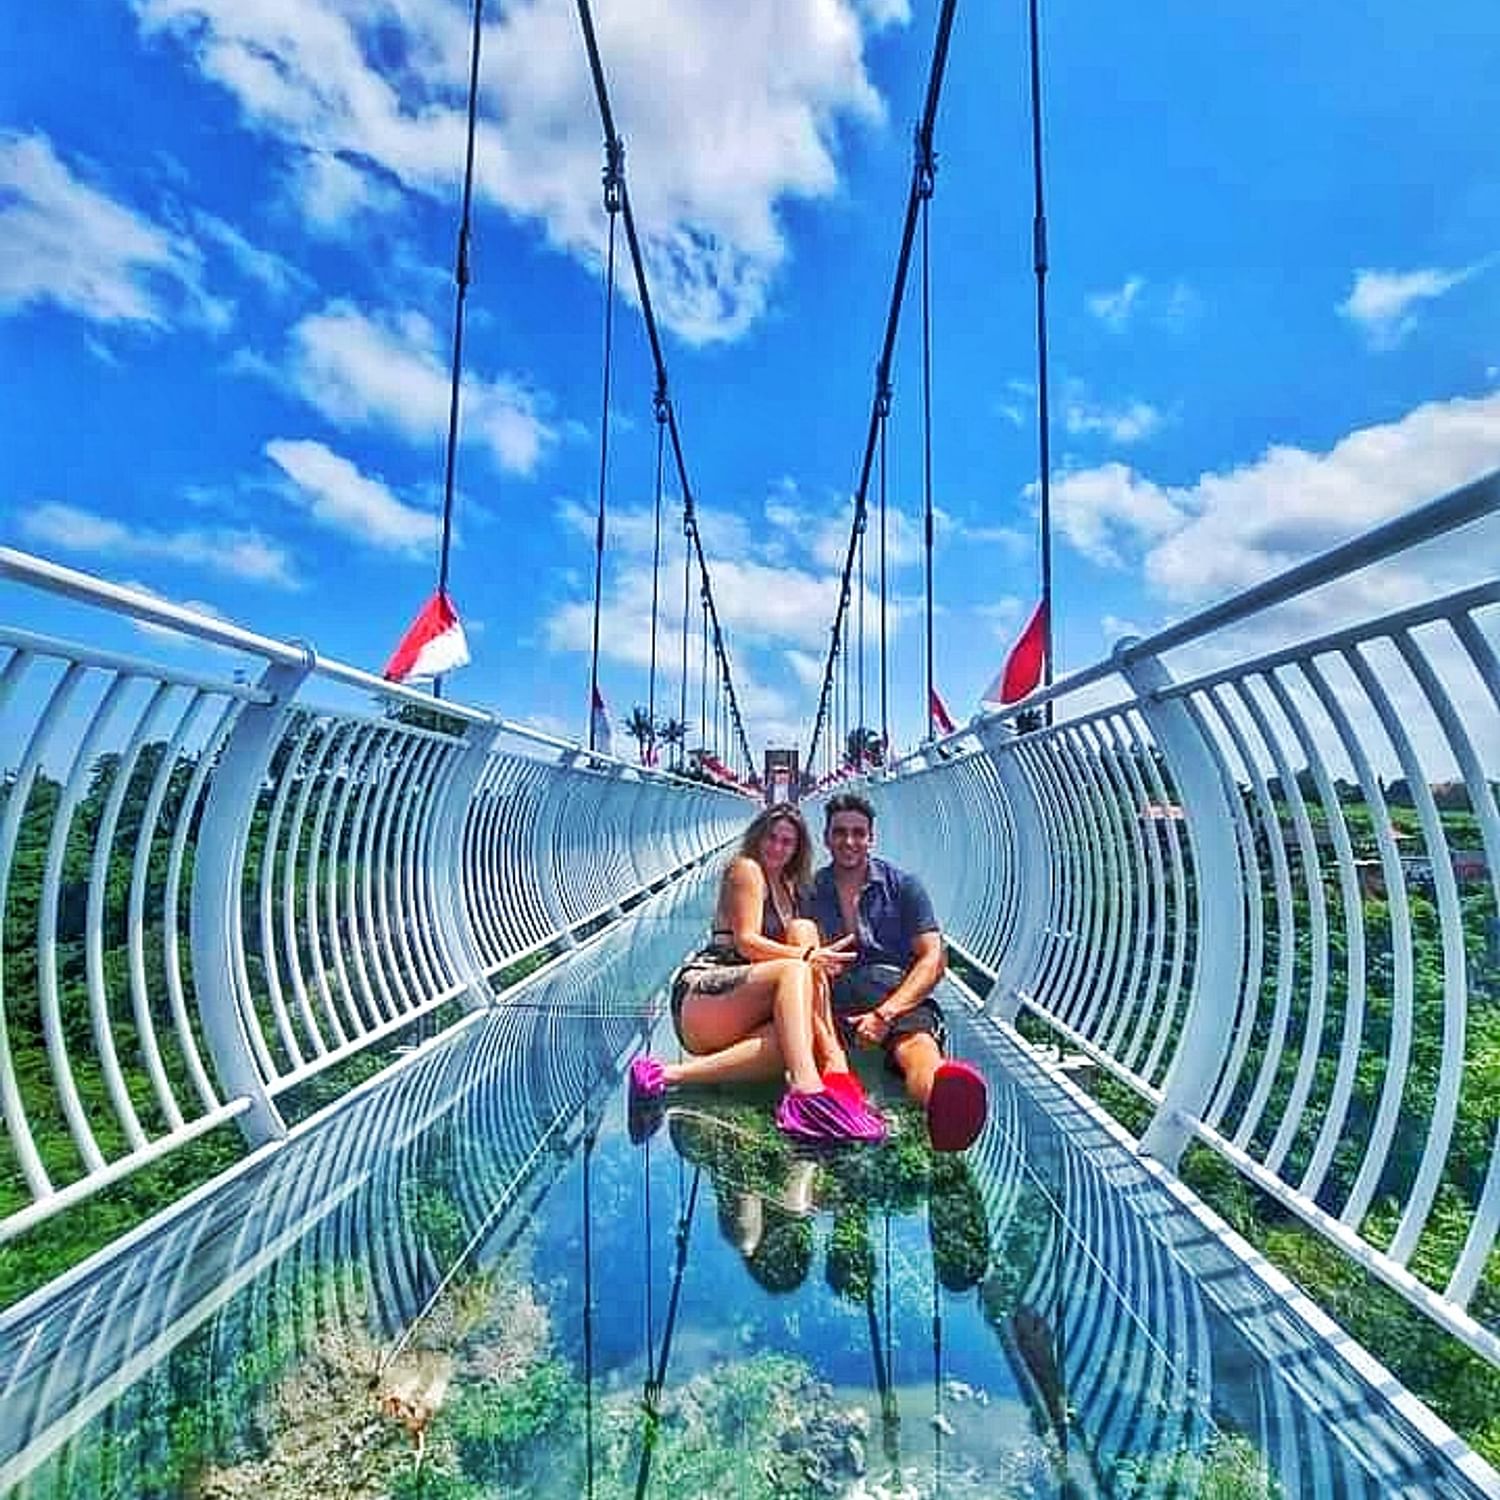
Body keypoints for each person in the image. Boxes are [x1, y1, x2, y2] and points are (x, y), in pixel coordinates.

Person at [629, 803, 887, 1143]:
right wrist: (808, 956)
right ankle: (808, 1090)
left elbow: (799, 948)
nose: (777, 847)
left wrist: (811, 950)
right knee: (797, 968)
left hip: (742, 1010)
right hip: (706, 993)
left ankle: (664, 1075)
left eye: (787, 842)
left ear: (798, 849)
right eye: (772, 837)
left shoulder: (790, 887)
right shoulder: (746, 869)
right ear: (757, 836)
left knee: (795, 1031)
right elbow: (747, 942)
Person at [805, 792, 988, 1152]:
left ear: (872, 838)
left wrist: (884, 1014)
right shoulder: (808, 889)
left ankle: (943, 1104)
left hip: (890, 991)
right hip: (828, 993)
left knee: (916, 1045)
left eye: (859, 833)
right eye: (839, 832)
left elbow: (933, 957)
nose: (849, 841)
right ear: (826, 838)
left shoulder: (903, 886)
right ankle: (833, 1107)